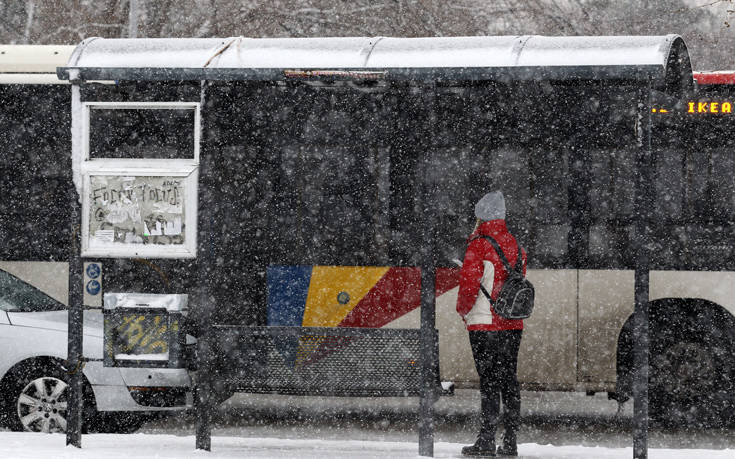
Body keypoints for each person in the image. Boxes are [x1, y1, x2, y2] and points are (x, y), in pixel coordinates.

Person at [456, 191, 526, 457]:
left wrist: (462, 310)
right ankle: (510, 441)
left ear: (481, 216)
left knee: (489, 382)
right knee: (509, 380)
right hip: (512, 325)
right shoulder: (516, 246)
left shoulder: (479, 244)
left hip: (485, 325)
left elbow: (468, 286)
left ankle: (486, 439)